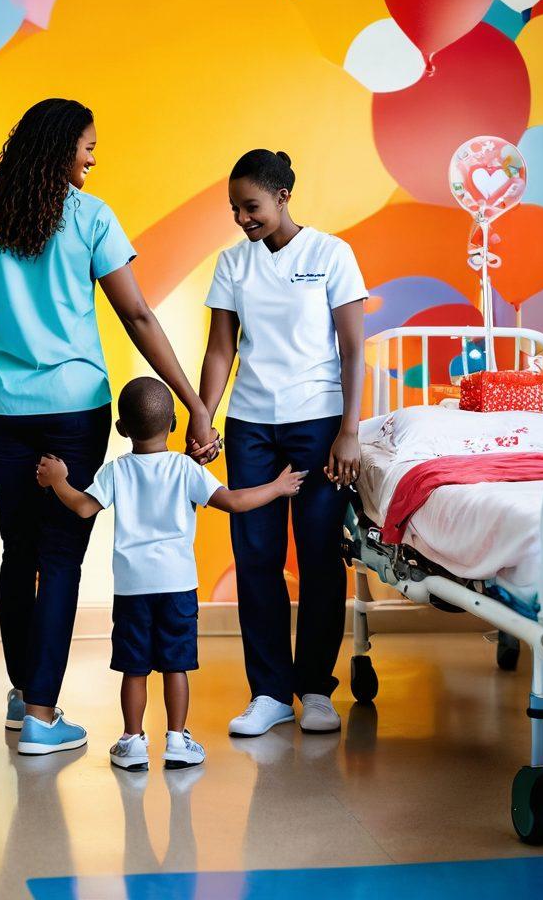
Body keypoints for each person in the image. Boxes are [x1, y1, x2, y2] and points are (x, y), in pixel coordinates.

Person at [0, 99, 219, 756]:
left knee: (17, 550)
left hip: (3, 413)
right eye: (87, 144)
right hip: (73, 411)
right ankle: (42, 716)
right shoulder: (90, 218)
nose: (94, 155)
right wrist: (192, 403)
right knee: (58, 561)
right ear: (60, 149)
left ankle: (24, 692)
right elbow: (137, 315)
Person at [35, 376, 305, 770]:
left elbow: (82, 507)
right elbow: (233, 501)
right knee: (175, 666)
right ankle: (177, 740)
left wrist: (58, 481)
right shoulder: (185, 468)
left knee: (135, 667)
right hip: (178, 588)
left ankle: (131, 741)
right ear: (175, 424)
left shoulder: (116, 471)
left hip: (132, 590)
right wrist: (278, 487)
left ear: (121, 429)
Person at [195, 149, 367, 737]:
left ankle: (315, 688)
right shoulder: (232, 265)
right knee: (256, 559)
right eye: (235, 209)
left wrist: (349, 430)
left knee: (319, 555)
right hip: (250, 427)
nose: (243, 219)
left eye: (252, 207)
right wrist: (203, 414)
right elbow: (221, 349)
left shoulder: (330, 254)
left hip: (319, 423)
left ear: (282, 197)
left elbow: (354, 349)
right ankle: (268, 691)